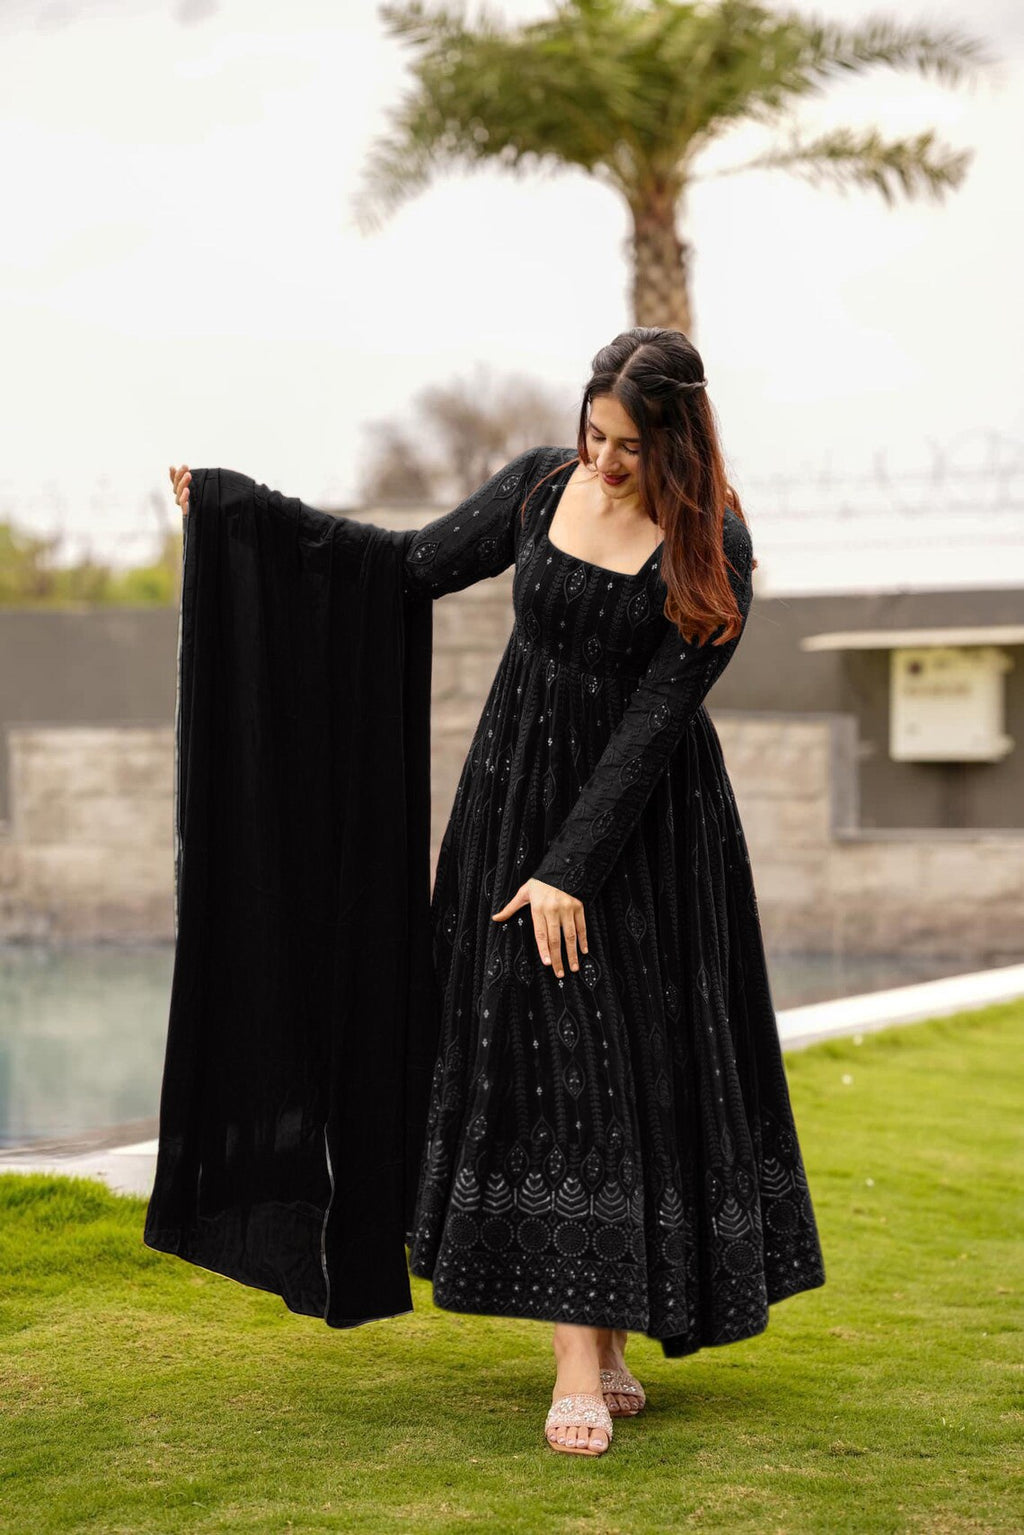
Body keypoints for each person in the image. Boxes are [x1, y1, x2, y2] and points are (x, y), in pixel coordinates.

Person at [167, 326, 825, 1459]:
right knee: (559, 1069)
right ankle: (590, 1351)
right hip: (506, 811)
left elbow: (657, 722)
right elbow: (404, 565)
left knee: (618, 1069)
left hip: (646, 839)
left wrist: (572, 867)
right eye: (593, 434)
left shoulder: (714, 543)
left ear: (675, 439)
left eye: (626, 445)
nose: (602, 461)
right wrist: (245, 514)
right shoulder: (536, 487)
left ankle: (595, 1348)